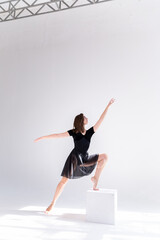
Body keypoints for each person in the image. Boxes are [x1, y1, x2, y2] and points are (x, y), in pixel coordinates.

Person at [34, 98, 115, 213]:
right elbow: (58, 135)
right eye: (85, 117)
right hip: (74, 159)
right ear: (81, 121)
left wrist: (108, 106)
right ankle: (52, 203)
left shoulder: (90, 132)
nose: (87, 118)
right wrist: (43, 137)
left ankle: (95, 178)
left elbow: (101, 120)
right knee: (63, 181)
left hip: (85, 159)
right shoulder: (74, 132)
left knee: (105, 157)